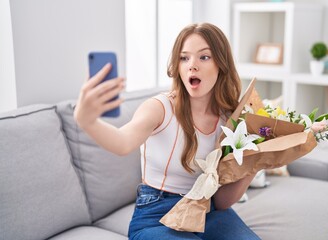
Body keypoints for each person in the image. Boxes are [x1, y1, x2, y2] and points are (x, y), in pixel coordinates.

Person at [74, 22, 261, 240]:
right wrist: (87, 121)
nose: (192, 65)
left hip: (206, 210)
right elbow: (122, 142)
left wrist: (258, 160)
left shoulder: (230, 119)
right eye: (184, 57)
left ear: (221, 64)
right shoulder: (159, 108)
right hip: (156, 215)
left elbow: (222, 202)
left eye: (204, 57)